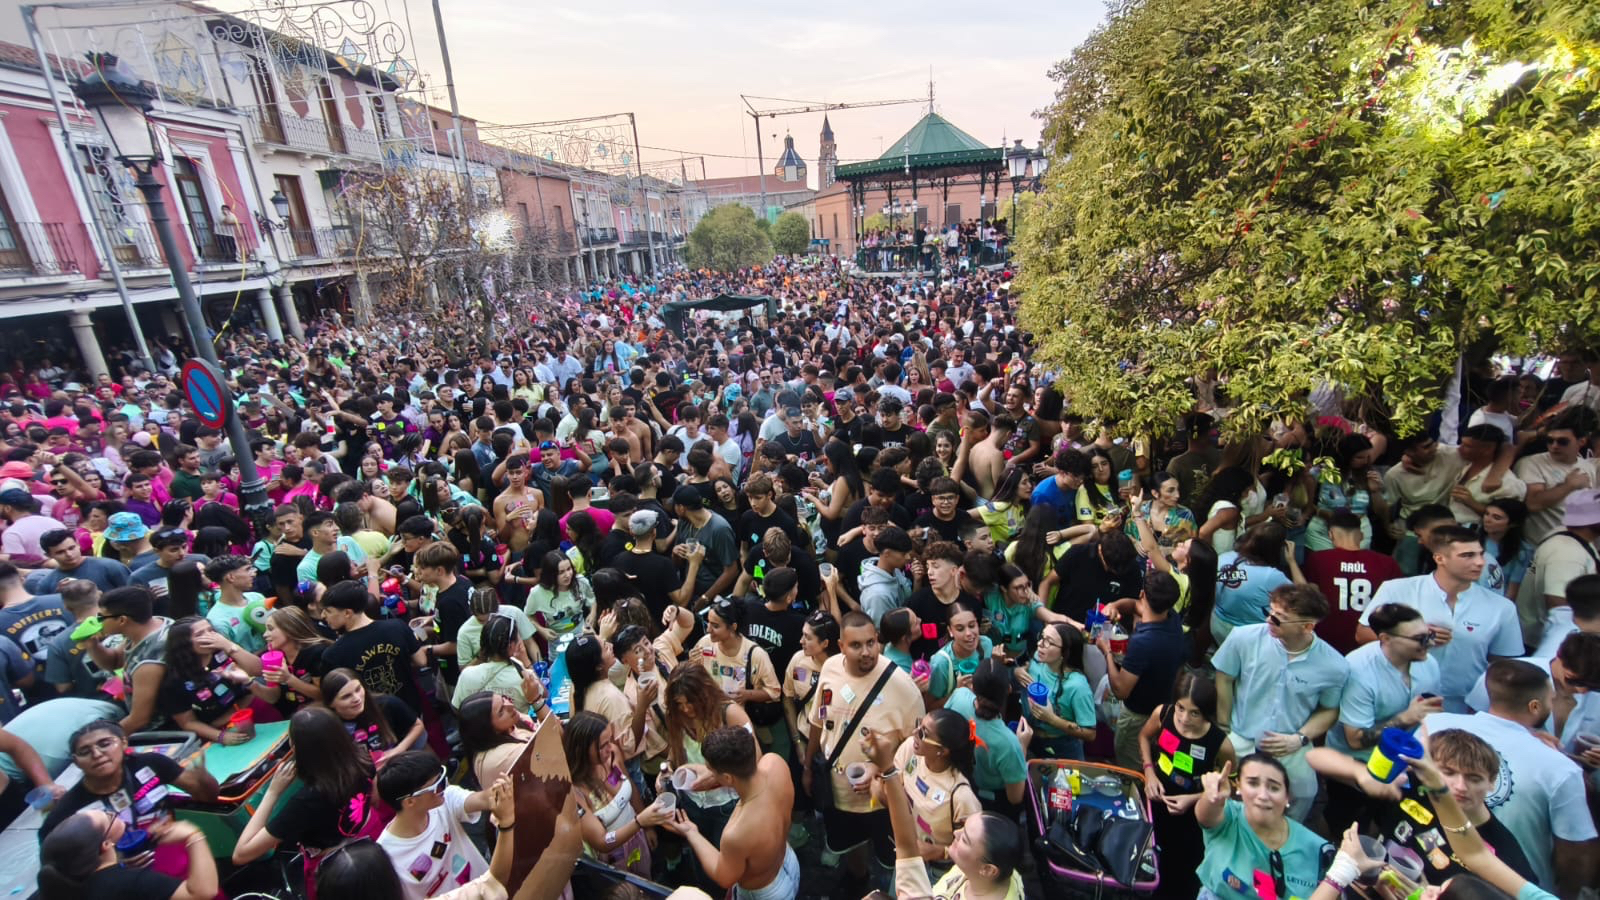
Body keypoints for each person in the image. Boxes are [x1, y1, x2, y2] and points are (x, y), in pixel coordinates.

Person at [1423, 658, 1598, 893]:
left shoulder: (1430, 724)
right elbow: (1575, 854)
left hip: (1423, 862)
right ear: (1535, 706)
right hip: (1509, 889)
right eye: (1551, 698)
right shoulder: (1561, 769)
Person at [1306, 727, 1539, 886]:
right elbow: (1315, 757)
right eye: (1448, 773)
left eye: (1474, 778)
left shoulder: (1502, 849)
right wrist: (1363, 775)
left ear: (1491, 783)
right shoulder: (1413, 788)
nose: (1460, 786)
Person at [804, 610, 924, 891]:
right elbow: (818, 721)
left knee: (890, 858)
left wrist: (882, 769)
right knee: (851, 847)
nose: (866, 651)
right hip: (839, 794)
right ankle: (858, 881)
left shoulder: (904, 688)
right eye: (856, 645)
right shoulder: (831, 668)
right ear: (841, 646)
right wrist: (809, 766)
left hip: (885, 801)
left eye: (871, 642)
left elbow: (917, 752)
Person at [1214, 584, 1349, 821]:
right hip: (1242, 734)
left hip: (1290, 740)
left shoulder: (1334, 665)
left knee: (1306, 792)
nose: (1270, 620)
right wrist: (1224, 725)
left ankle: (1283, 836)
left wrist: (1299, 738)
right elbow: (1224, 678)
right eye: (1271, 612)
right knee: (1223, 787)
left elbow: (1329, 709)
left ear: (1307, 626)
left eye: (1280, 618)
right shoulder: (1244, 638)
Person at [1358, 526, 1523, 711]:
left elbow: (1504, 665)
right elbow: (1363, 634)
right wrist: (1414, 638)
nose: (1480, 562)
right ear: (1439, 558)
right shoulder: (1397, 590)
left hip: (1464, 708)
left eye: (1481, 554)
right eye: (1468, 555)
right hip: (1399, 701)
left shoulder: (1502, 607)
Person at [861, 725, 1028, 900]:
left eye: (965, 839)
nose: (955, 832)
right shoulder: (1004, 872)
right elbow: (907, 847)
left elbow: (907, 848)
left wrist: (888, 770)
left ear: (988, 870)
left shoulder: (961, 796)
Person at [1322, 602, 1443, 834]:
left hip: (1405, 766)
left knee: (1393, 826)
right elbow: (1355, 739)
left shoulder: (1429, 663)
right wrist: (1405, 718)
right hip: (1357, 768)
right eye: (1419, 639)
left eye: (1430, 635)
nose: (1429, 643)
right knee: (1348, 826)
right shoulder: (1359, 671)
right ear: (1386, 639)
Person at [233, 706, 385, 889]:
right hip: (373, 839)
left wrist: (272, 793)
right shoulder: (363, 757)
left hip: (340, 872)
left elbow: (242, 854)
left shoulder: (307, 801)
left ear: (297, 748)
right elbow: (375, 799)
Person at [660, 724, 799, 900]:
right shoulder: (775, 763)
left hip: (765, 893)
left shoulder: (738, 832)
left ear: (727, 778)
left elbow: (724, 877)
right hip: (789, 863)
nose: (708, 773)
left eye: (710, 770)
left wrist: (691, 832)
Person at [1137, 671, 1236, 899]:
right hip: (1155, 800)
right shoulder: (1163, 714)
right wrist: (1149, 772)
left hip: (1191, 817)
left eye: (1194, 713)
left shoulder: (1221, 744)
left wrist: (1192, 800)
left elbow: (1228, 786)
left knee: (1179, 872)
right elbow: (1143, 737)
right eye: (1181, 708)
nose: (1183, 718)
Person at [41, 719, 218, 839]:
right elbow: (51, 854)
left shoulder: (151, 764)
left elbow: (207, 798)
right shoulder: (71, 808)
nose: (97, 754)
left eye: (105, 744)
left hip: (171, 845)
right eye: (85, 752)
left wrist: (205, 779)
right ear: (76, 762)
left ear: (124, 743)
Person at [374, 750, 510, 899]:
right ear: (410, 801)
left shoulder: (444, 800)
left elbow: (484, 798)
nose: (444, 787)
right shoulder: (386, 858)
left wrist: (503, 791)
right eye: (437, 786)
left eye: (444, 778)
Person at [1194, 754, 1332, 900]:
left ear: (1287, 797)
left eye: (1274, 788)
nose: (1263, 795)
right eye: (1253, 783)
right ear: (1239, 786)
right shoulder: (1229, 816)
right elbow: (1206, 814)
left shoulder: (1316, 847)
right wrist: (1212, 797)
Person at [564, 710, 668, 877]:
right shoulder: (574, 792)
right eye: (602, 746)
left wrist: (647, 827)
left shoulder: (612, 754)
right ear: (581, 750)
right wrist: (640, 821)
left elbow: (631, 788)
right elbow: (602, 841)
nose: (609, 748)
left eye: (609, 740)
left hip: (638, 839)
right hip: (614, 857)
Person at [1102, 569, 1188, 770]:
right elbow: (1134, 606)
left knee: (1130, 759)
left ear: (1143, 595)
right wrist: (1115, 605)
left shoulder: (1143, 643)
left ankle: (1133, 785)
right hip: (1162, 707)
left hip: (1138, 715)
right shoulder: (1172, 618)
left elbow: (1121, 690)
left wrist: (1106, 651)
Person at [39, 810, 219, 900]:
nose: (112, 813)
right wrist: (194, 836)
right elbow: (203, 892)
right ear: (106, 844)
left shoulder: (61, 887)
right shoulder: (131, 882)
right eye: (109, 818)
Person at [1302, 508, 1404, 654]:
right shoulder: (1387, 563)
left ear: (1330, 535)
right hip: (1371, 640)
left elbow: (1308, 596)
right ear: (1361, 535)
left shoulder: (1319, 559)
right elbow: (1399, 602)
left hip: (1328, 640)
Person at [318, 580, 428, 712]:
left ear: (347, 613)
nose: (323, 616)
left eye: (328, 611)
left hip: (372, 721)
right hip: (411, 710)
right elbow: (421, 661)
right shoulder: (397, 627)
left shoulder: (332, 655)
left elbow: (330, 697)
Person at [943, 658, 1030, 812]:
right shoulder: (1009, 743)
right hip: (991, 802)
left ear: (973, 686)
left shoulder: (959, 696)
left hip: (957, 785)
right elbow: (1015, 797)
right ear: (1009, 689)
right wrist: (1022, 745)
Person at [158, 616, 262, 743]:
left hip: (253, 708)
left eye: (210, 630)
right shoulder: (175, 679)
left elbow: (258, 670)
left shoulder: (225, 650)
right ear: (184, 643)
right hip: (222, 727)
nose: (210, 636)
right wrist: (220, 736)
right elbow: (188, 722)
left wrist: (229, 645)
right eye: (200, 634)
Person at [1019, 621, 1098, 759]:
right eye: (1041, 637)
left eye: (1049, 642)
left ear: (1065, 653)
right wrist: (1017, 671)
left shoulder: (1077, 686)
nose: (1040, 644)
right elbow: (1027, 668)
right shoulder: (1039, 658)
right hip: (1029, 736)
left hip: (1062, 747)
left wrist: (1052, 719)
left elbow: (1090, 734)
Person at [1210, 522, 1295, 645]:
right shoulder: (1271, 576)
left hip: (1218, 625)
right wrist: (1292, 561)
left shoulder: (1223, 558)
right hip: (1250, 634)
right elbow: (1303, 597)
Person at [322, 667, 425, 766]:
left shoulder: (386, 704)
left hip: (397, 766)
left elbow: (417, 725)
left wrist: (398, 750)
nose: (357, 698)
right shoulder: (326, 725)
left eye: (358, 689)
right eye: (346, 696)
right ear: (331, 703)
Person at [452, 615, 543, 710]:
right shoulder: (523, 678)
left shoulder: (467, 675)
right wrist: (526, 661)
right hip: (516, 725)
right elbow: (543, 695)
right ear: (512, 646)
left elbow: (456, 708)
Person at [254, 605, 329, 717]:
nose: (265, 635)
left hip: (318, 716)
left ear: (289, 629)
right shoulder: (276, 657)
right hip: (292, 718)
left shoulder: (316, 653)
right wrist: (248, 683)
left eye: (270, 629)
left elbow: (323, 695)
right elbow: (273, 698)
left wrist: (289, 678)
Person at [925, 602, 991, 708]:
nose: (968, 633)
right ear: (950, 631)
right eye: (960, 629)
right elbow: (930, 707)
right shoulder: (941, 663)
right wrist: (957, 692)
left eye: (972, 625)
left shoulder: (986, 644)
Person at [523, 549, 595, 645]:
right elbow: (528, 615)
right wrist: (541, 630)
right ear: (550, 575)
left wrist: (593, 614)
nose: (567, 575)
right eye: (561, 572)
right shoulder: (537, 593)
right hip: (557, 640)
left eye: (569, 569)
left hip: (582, 633)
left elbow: (593, 600)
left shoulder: (581, 581)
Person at [858, 525, 915, 626]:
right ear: (887, 553)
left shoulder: (894, 571)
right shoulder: (877, 596)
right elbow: (882, 633)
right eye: (903, 554)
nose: (908, 557)